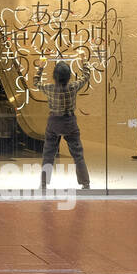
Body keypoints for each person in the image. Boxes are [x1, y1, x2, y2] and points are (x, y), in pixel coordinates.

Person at [35, 59, 92, 190]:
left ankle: (43, 183)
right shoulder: (73, 87)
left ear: (55, 75)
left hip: (54, 122)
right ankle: (85, 183)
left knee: (48, 154)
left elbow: (36, 83)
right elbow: (86, 76)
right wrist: (84, 62)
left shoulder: (49, 88)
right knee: (78, 155)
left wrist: (41, 67)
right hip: (69, 122)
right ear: (68, 76)